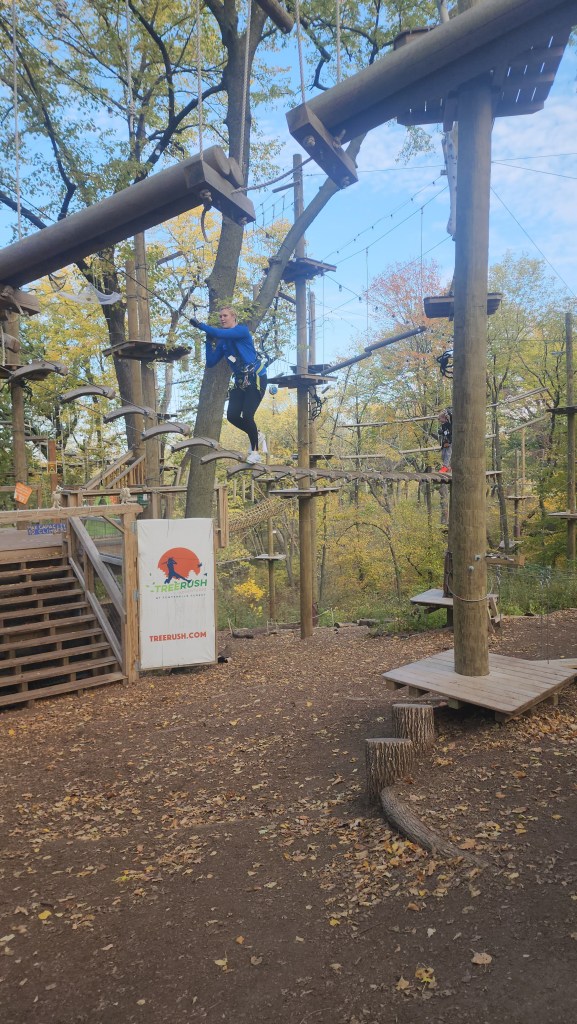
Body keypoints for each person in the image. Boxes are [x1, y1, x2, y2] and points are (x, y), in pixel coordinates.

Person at [191, 307, 268, 463]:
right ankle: (257, 434)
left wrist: (200, 325)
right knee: (232, 416)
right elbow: (211, 362)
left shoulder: (241, 331)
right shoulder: (223, 343)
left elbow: (219, 333)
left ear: (234, 317)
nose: (222, 318)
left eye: (225, 316)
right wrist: (208, 342)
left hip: (255, 377)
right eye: (220, 316)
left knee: (247, 415)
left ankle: (255, 452)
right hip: (240, 381)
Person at [438, 408, 452, 473]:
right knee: (443, 455)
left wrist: (447, 412)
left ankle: (445, 466)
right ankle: (448, 467)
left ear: (444, 418)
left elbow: (450, 432)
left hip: (450, 441)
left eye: (440, 418)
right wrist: (442, 432)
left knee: (448, 454)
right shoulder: (443, 425)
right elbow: (445, 433)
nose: (439, 420)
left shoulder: (450, 424)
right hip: (445, 442)